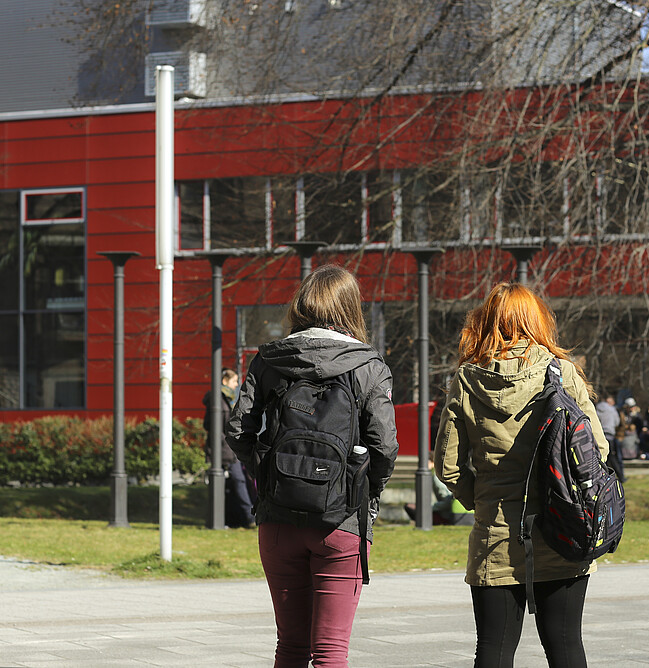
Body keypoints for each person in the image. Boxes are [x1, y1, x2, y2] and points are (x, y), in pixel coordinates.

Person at [225, 264, 399, 668]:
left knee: (290, 648)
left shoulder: (269, 358)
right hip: (341, 520)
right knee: (331, 653)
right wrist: (367, 493)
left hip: (278, 519)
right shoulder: (367, 365)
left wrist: (268, 473)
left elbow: (238, 428)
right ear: (350, 308)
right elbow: (385, 446)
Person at [434, 282, 608, 668]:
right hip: (564, 526)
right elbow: (597, 450)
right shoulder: (560, 373)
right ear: (537, 321)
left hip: (496, 534)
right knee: (565, 645)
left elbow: (447, 467)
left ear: (487, 323)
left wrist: (482, 501)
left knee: (494, 649)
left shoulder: (467, 379)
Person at [203, 368, 254, 528]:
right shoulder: (219, 399)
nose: (236, 384)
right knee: (238, 481)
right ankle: (248, 518)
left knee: (231, 484)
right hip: (225, 448)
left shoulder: (227, 398)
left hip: (228, 447)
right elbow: (214, 426)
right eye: (234, 381)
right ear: (225, 381)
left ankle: (233, 519)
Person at [595, 395, 625, 483]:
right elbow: (617, 422)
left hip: (599, 435)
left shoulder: (596, 408)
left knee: (601, 457)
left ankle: (604, 477)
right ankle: (620, 476)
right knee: (612, 457)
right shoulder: (612, 410)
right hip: (610, 434)